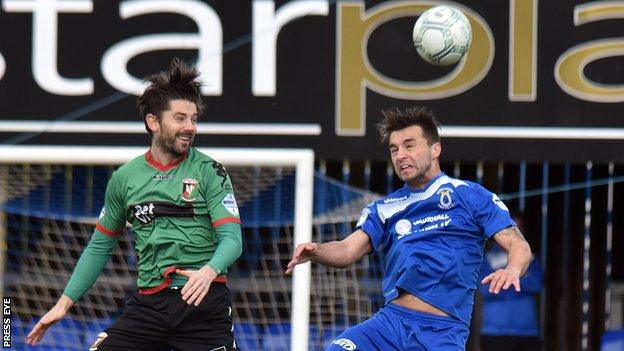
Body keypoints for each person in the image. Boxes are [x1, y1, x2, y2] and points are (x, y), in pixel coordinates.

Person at [26, 59, 243, 351]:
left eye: (193, 119)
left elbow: (232, 239)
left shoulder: (210, 171)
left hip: (202, 305)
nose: (189, 127)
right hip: (150, 306)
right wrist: (64, 304)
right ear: (154, 122)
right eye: (180, 118)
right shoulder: (125, 179)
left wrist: (209, 271)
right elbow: (99, 247)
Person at [285, 106, 533, 351]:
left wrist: (512, 269)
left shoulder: (470, 195)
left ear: (435, 148)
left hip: (442, 332)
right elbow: (347, 250)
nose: (400, 155)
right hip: (389, 325)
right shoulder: (384, 208)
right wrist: (316, 251)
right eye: (394, 149)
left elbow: (518, 245)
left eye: (409, 145)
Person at [478, 213, 543, 351]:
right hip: (494, 332)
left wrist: (501, 282)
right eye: (510, 228)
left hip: (527, 332)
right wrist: (519, 280)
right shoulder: (487, 258)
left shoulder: (531, 258)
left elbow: (537, 285)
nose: (514, 233)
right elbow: (485, 289)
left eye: (519, 229)